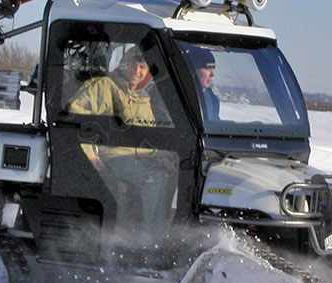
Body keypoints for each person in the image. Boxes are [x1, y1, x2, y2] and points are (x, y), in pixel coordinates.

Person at [64, 46, 175, 230]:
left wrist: (161, 156)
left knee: (171, 173)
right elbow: (73, 119)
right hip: (113, 156)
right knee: (154, 178)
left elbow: (149, 134)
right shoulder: (102, 86)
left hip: (138, 157)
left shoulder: (142, 98)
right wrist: (89, 154)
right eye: (135, 66)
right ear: (125, 64)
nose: (138, 72)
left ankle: (153, 228)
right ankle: (151, 235)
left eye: (143, 68)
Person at [184, 46, 219, 121]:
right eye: (207, 68)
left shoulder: (212, 99)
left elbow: (214, 123)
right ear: (192, 70)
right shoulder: (176, 96)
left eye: (213, 68)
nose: (212, 74)